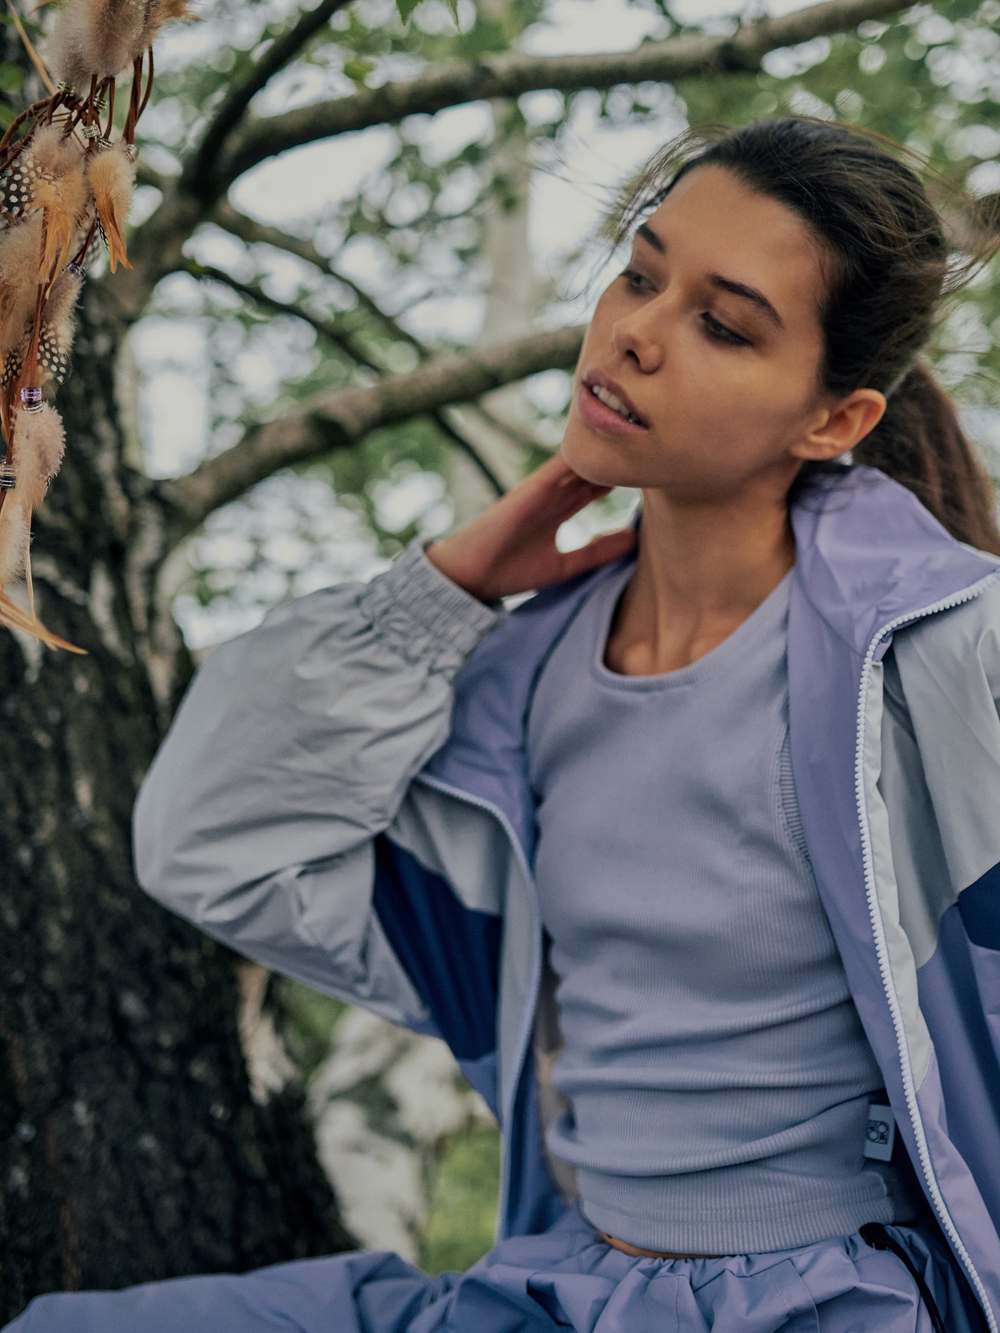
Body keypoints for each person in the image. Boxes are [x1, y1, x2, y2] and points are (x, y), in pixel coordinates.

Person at [9, 117, 1000, 1332]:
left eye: (722, 324)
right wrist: (447, 588)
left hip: (830, 1302)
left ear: (832, 422)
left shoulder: (945, 660)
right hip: (559, 1284)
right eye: (639, 273)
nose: (635, 331)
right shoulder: (512, 678)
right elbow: (208, 840)